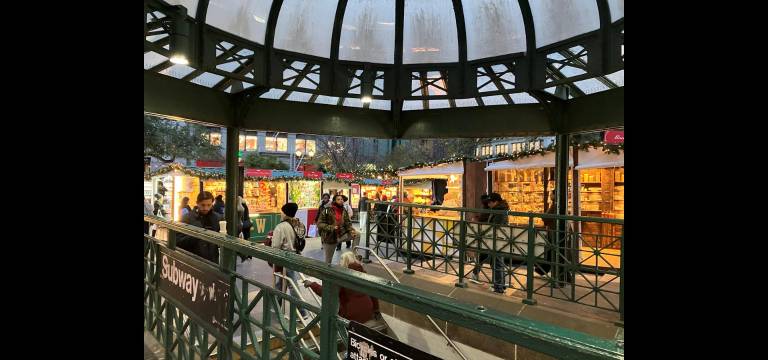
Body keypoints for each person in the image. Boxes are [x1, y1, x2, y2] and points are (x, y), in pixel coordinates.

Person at [303, 252, 382, 327]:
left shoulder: (343, 278)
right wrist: (376, 309)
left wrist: (312, 284)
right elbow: (373, 294)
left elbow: (328, 293)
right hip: (367, 310)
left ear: (344, 262)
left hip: (351, 314)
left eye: (340, 260)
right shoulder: (364, 274)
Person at [270, 202, 307, 316]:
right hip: (295, 255)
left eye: (282, 211)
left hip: (285, 258)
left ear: (285, 213)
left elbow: (275, 246)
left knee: (292, 284)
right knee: (282, 282)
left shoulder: (281, 227)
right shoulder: (299, 224)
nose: (280, 213)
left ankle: (302, 312)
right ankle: (275, 305)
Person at [177, 191, 221, 263]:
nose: (206, 208)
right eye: (203, 205)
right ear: (197, 203)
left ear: (212, 204)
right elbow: (178, 240)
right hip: (193, 261)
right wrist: (197, 235)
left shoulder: (217, 218)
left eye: (209, 205)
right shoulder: (187, 218)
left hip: (212, 262)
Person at [318, 195, 357, 264]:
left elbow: (347, 222)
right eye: (338, 199)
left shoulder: (344, 210)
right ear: (334, 201)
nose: (341, 200)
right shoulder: (327, 210)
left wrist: (351, 230)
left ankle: (354, 257)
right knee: (328, 261)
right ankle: (327, 272)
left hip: (341, 235)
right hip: (330, 238)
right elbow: (320, 223)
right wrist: (331, 227)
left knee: (357, 234)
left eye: (342, 199)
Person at [486, 193, 509, 294]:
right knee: (497, 261)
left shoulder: (500, 211)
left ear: (495, 202)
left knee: (498, 262)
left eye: (490, 202)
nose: (488, 204)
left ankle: (498, 287)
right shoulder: (499, 209)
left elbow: (496, 225)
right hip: (497, 239)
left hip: (498, 239)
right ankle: (500, 285)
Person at [471, 194, 491, 283]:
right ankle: (498, 281)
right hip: (487, 234)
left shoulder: (486, 208)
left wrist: (477, 218)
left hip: (486, 234)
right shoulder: (488, 208)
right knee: (486, 255)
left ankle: (498, 281)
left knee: (485, 255)